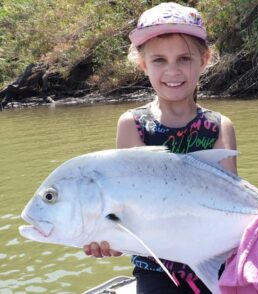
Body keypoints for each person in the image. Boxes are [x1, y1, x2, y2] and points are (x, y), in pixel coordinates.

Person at [83, 2, 237, 293]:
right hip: (156, 273)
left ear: (204, 60)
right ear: (143, 64)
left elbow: (230, 205)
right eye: (159, 61)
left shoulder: (220, 126)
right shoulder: (132, 125)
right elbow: (127, 210)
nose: (172, 71)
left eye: (183, 59)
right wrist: (110, 239)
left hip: (215, 262)